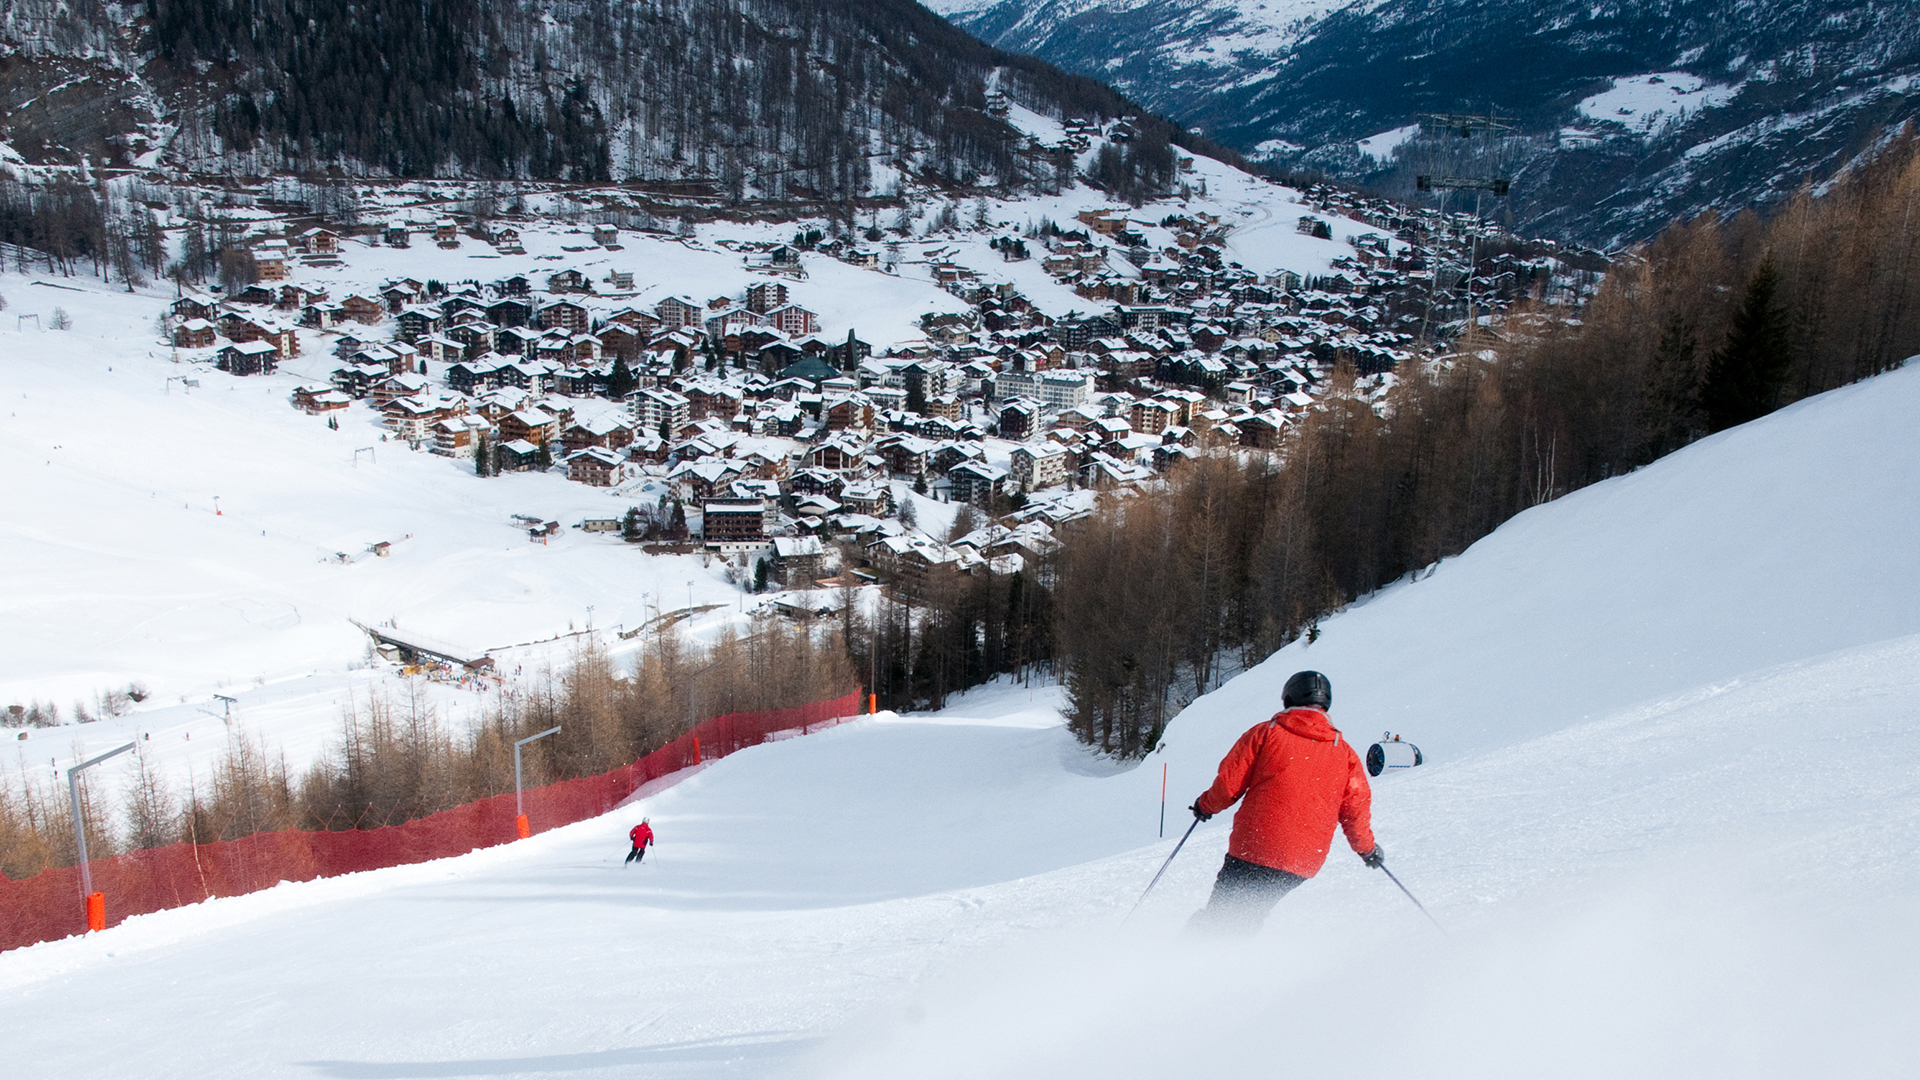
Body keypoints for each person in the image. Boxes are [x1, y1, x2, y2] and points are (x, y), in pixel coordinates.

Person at [1187, 670, 1384, 933]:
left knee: (1221, 916)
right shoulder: (1344, 753)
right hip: (1302, 860)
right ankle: (1231, 953)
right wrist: (1366, 849)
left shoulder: (1266, 733)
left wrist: (1205, 806)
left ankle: (1191, 955)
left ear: (1288, 697)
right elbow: (1355, 809)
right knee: (1247, 915)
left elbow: (1228, 785)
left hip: (1256, 846)